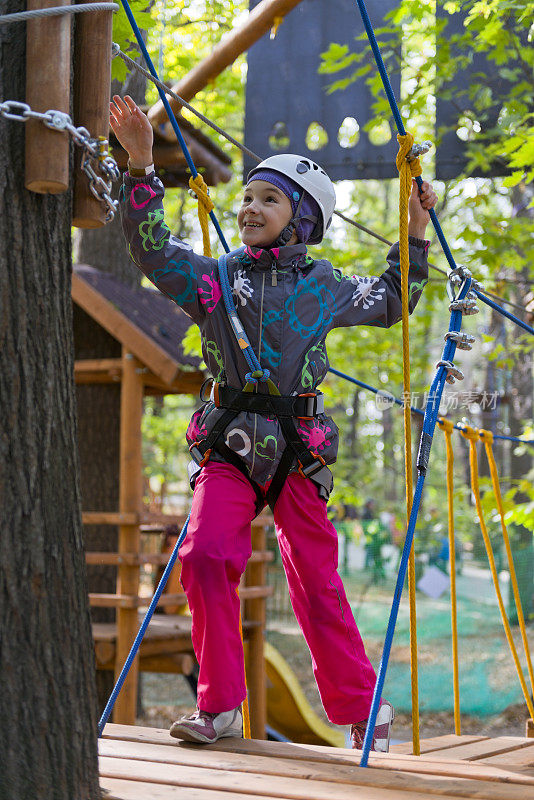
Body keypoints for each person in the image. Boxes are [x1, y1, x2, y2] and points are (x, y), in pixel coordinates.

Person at [110, 94, 438, 751]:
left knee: (316, 579)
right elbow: (151, 254)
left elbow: (393, 299)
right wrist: (142, 167)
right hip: (230, 445)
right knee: (204, 556)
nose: (249, 209)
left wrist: (414, 228)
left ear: (301, 221)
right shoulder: (215, 281)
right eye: (248, 198)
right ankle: (220, 705)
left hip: (296, 451)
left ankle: (356, 709)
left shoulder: (325, 283)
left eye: (269, 200)